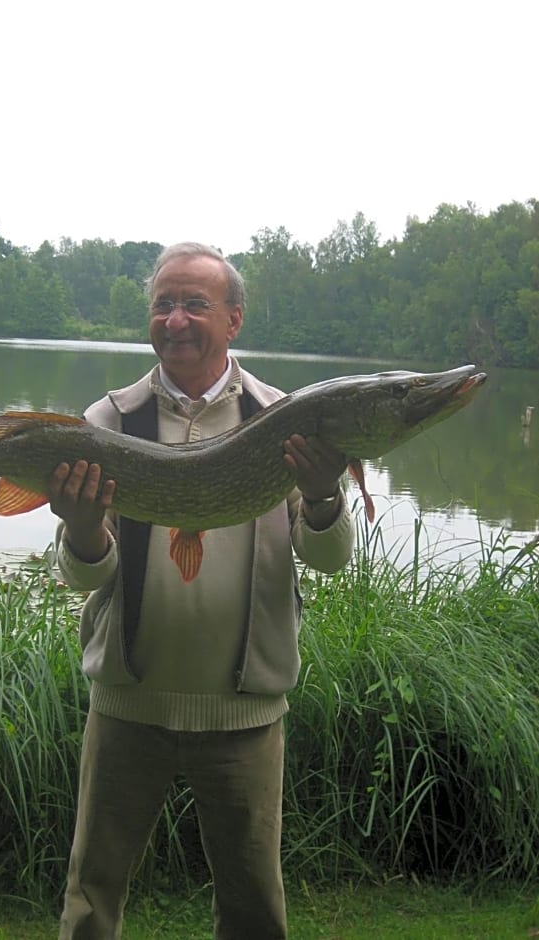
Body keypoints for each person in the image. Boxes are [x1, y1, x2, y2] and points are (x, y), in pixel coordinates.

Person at [50, 242, 355, 940]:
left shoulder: (286, 417)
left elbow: (329, 559)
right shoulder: (108, 421)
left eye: (195, 304)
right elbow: (82, 575)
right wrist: (82, 527)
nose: (176, 319)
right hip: (128, 701)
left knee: (252, 907)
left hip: (244, 712)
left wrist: (320, 495)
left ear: (233, 319)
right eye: (163, 304)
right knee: (90, 900)